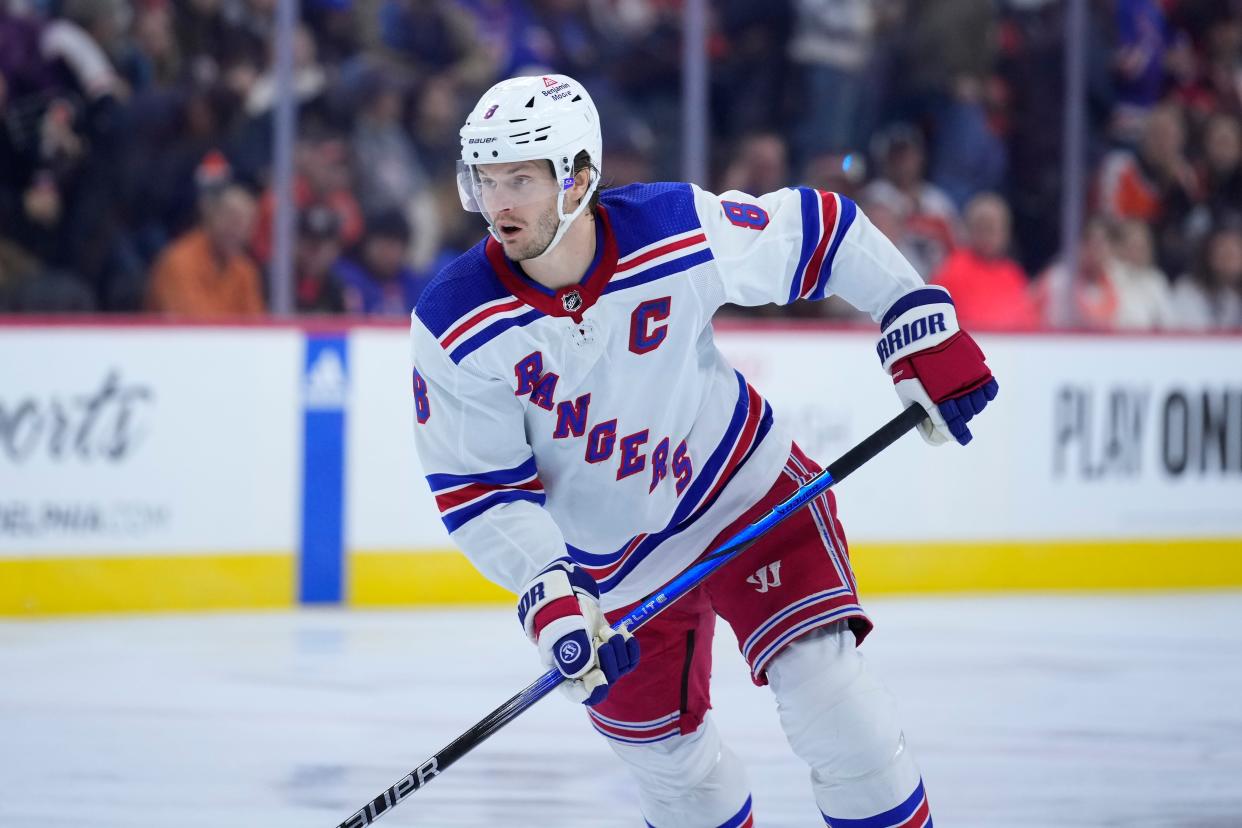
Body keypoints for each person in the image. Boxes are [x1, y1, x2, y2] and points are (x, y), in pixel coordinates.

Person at [410, 73, 999, 828]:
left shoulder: (670, 227)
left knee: (837, 710)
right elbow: (479, 490)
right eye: (485, 180)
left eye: (520, 179)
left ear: (579, 179)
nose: (498, 205)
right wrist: (549, 596)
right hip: (608, 566)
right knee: (680, 784)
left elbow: (821, 231)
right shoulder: (455, 321)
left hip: (743, 492)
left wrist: (915, 313)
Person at [145, 183, 265, 317]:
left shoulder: (245, 270)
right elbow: (191, 323)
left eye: (246, 223)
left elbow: (255, 326)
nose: (238, 231)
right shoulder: (179, 262)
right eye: (232, 219)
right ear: (211, 217)